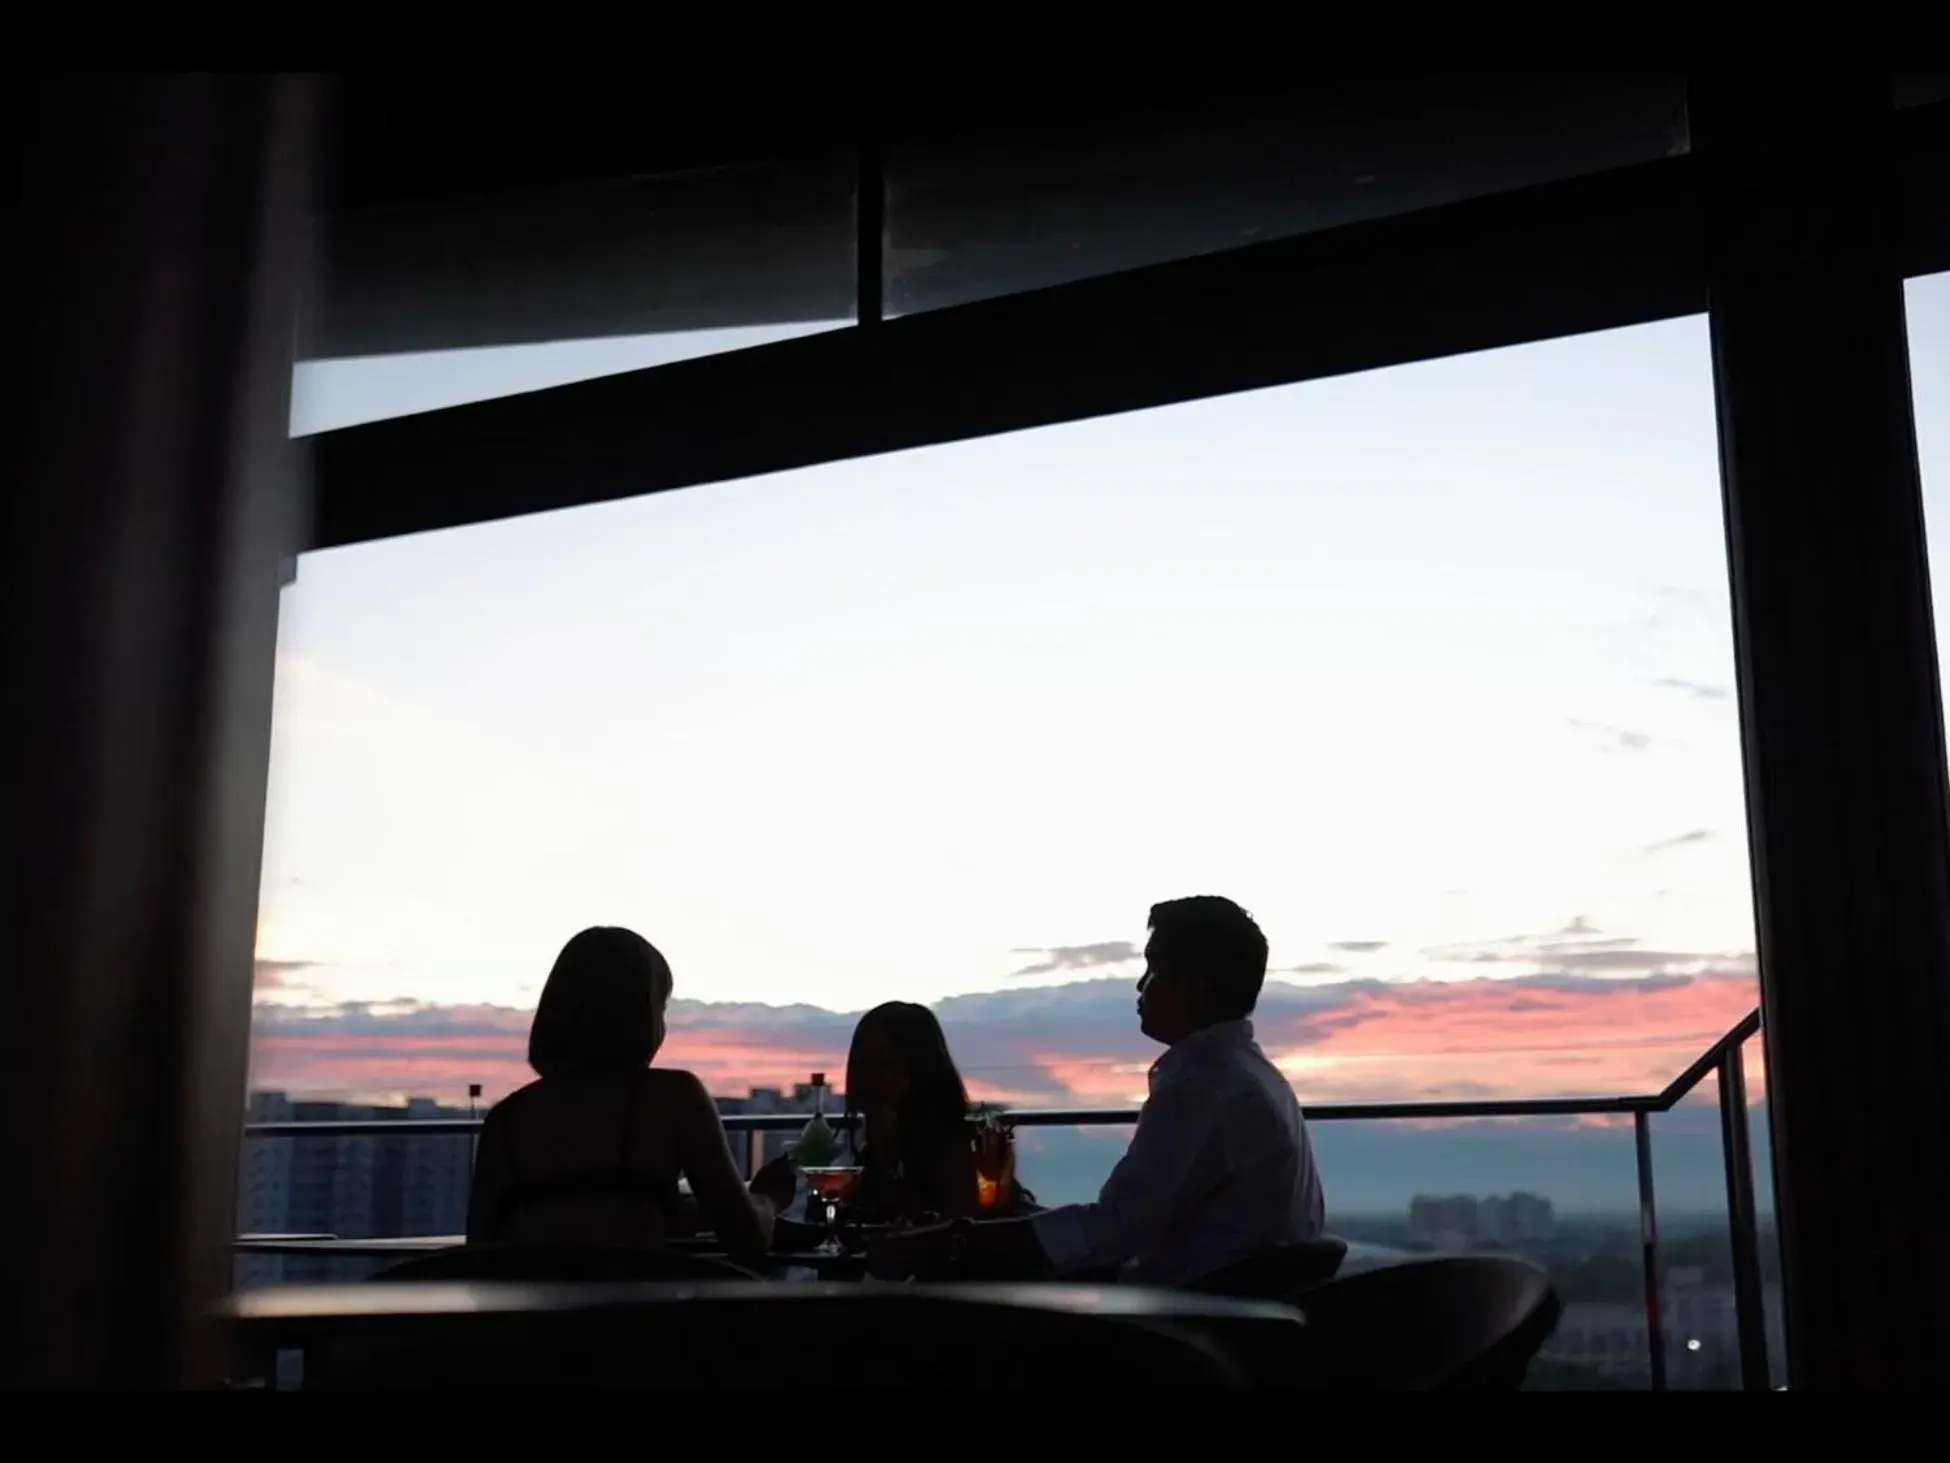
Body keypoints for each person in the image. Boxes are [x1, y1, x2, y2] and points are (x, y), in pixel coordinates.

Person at [869, 896, 1324, 1285]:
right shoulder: (1253, 1078)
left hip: (1181, 1325)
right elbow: (1130, 1219)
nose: (1142, 986)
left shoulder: (1202, 1090)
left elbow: (1113, 1231)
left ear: (1193, 987)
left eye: (1153, 969)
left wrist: (956, 1242)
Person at [465, 926, 797, 1259]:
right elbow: (747, 1240)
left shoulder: (505, 1122)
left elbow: (483, 1252)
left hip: (535, 1311)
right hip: (636, 1309)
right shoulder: (674, 1098)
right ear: (643, 1014)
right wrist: (767, 1198)